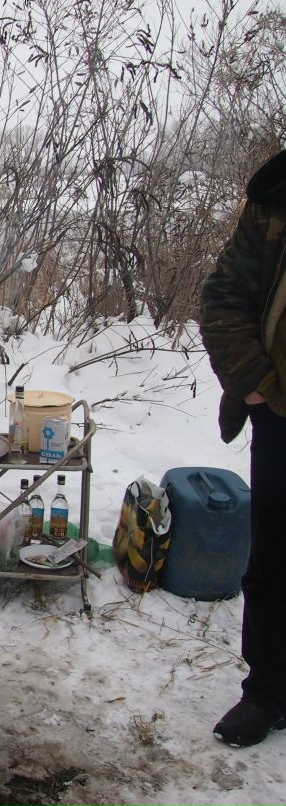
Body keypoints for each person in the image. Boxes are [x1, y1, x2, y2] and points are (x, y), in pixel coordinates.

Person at [199, 148, 286, 748]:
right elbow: (225, 295)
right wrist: (256, 386)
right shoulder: (277, 195)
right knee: (277, 558)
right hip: (282, 407)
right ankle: (268, 692)